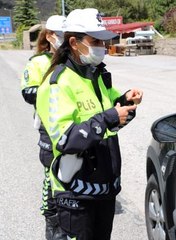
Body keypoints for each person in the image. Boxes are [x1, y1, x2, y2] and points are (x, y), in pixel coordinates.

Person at [36, 8, 143, 239]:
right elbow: (66, 139)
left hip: (104, 187)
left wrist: (126, 102)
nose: (102, 48)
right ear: (74, 42)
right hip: (75, 193)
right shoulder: (57, 83)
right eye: (95, 41)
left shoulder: (95, 76)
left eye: (104, 42)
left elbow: (111, 120)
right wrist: (109, 117)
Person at [20, 15, 67, 239]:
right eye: (62, 35)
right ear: (49, 36)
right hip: (49, 132)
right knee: (52, 182)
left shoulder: (73, 60)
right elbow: (28, 93)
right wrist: (55, 92)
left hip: (74, 131)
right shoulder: (38, 62)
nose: (66, 39)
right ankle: (53, 225)